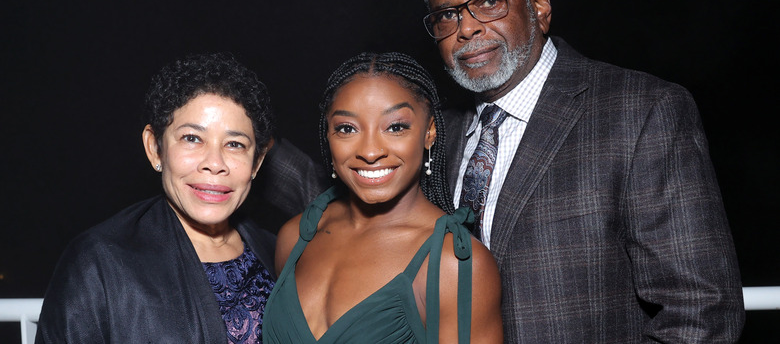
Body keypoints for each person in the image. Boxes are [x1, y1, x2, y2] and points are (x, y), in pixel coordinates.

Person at [417, 0, 744, 343]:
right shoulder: (437, 136)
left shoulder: (640, 111)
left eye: (490, 1)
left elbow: (703, 312)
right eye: (446, 15)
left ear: (538, 1)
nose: (467, 28)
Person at [36, 53, 279, 343]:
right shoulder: (100, 262)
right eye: (192, 138)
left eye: (235, 144)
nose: (215, 163)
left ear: (257, 162)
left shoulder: (278, 253)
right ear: (155, 148)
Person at [262, 52, 503, 343]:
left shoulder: (454, 264)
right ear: (327, 136)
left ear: (429, 133)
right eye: (347, 129)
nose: (371, 151)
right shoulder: (295, 238)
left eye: (395, 127)